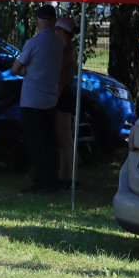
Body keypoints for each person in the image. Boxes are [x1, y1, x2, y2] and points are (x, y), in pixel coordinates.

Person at [12, 4, 64, 193]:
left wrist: (26, 70)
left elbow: (16, 68)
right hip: (50, 98)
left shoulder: (33, 43)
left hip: (32, 99)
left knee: (36, 142)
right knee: (50, 140)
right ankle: (53, 180)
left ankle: (40, 181)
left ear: (37, 21)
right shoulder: (59, 43)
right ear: (54, 21)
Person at [54, 16, 78, 189]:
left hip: (63, 95)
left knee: (66, 139)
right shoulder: (66, 47)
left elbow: (61, 75)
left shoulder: (66, 49)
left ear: (62, 31)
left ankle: (70, 177)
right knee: (63, 139)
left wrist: (56, 94)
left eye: (56, 29)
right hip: (64, 94)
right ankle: (63, 174)